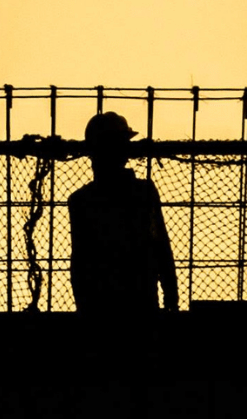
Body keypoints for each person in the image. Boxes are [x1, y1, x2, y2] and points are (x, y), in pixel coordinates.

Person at [66, 112, 180, 313]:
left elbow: (80, 264)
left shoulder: (81, 200)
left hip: (101, 305)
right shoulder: (143, 192)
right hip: (141, 300)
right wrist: (171, 296)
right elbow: (161, 246)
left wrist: (83, 307)